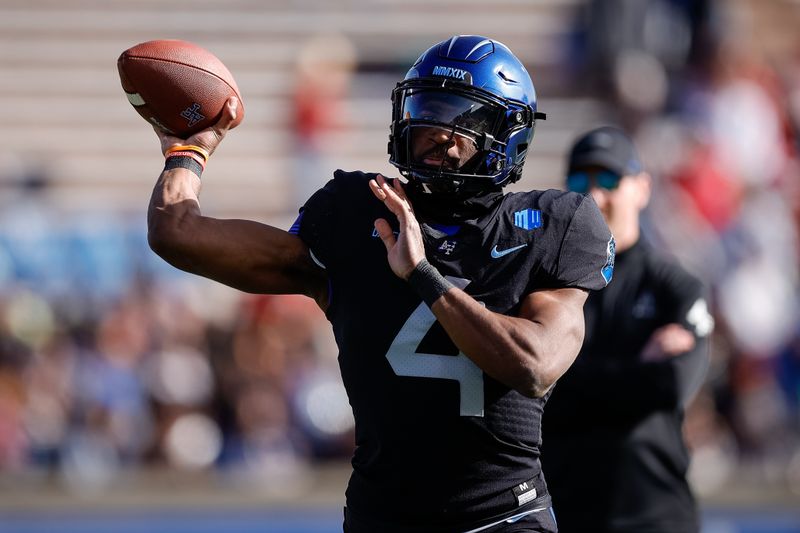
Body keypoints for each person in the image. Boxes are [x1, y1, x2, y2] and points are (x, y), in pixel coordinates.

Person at [147, 35, 614, 533]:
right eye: (429, 110)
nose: (440, 133)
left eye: (464, 118)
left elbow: (535, 365)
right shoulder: (357, 210)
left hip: (503, 518)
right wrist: (187, 150)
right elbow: (179, 234)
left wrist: (423, 276)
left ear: (509, 132)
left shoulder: (552, 224)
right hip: (382, 519)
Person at [541, 126, 713, 533]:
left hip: (655, 517)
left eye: (610, 179)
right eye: (581, 180)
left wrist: (572, 376)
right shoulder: (547, 286)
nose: (596, 194)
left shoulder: (675, 287)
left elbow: (671, 383)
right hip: (564, 512)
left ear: (642, 188)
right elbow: (533, 389)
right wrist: (637, 367)